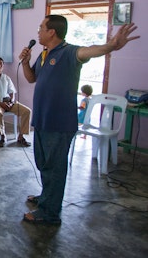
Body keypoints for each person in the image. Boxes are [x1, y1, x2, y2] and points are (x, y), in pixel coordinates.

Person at [19, 15, 139, 225]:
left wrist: (112, 45)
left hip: (59, 123)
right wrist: (26, 62)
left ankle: (50, 213)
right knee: (44, 163)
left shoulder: (70, 52)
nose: (38, 31)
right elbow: (31, 78)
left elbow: (91, 50)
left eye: (41, 28)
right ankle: (47, 197)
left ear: (51, 32)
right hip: (42, 120)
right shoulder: (44, 54)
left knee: (55, 167)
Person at [0, 57, 31, 147]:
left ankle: (21, 136)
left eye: (1, 64)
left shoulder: (6, 78)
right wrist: (1, 104)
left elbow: (12, 91)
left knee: (27, 111)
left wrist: (11, 102)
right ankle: (2, 136)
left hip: (8, 102)